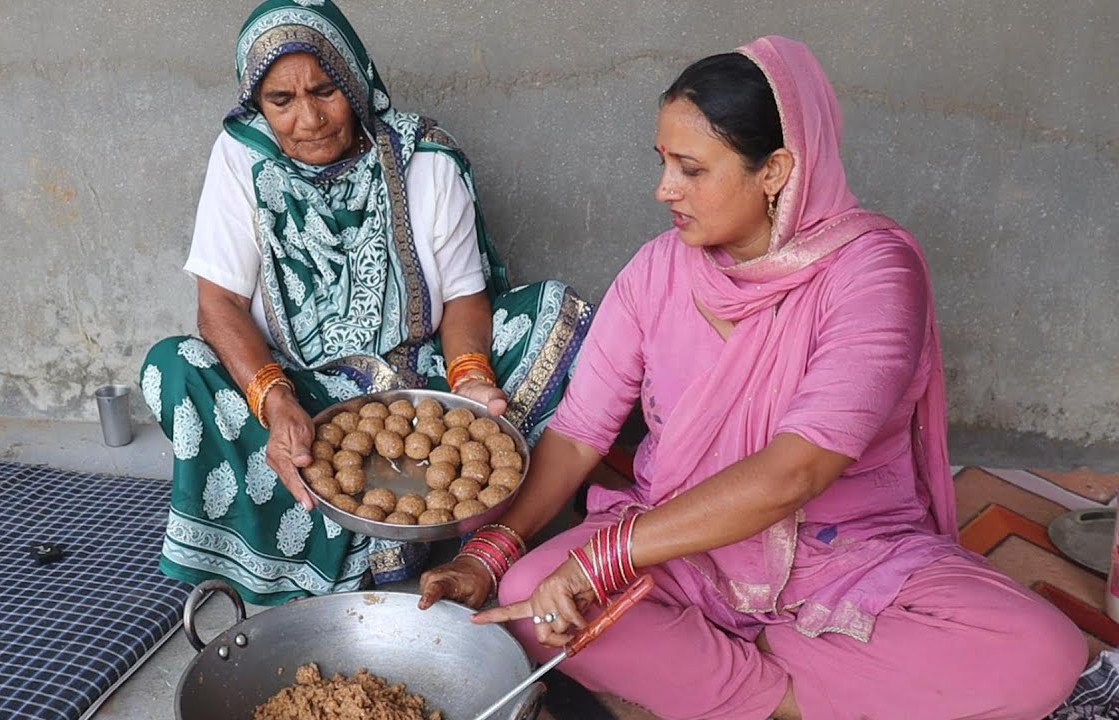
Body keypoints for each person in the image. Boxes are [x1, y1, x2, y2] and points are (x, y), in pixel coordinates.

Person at [419, 36, 1085, 720]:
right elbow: (580, 434)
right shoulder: (656, 271)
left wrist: (604, 559)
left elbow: (797, 473)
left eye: (691, 169)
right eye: (662, 163)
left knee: (1041, 655)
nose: (664, 190)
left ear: (774, 171)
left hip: (843, 555)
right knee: (532, 598)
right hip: (681, 545)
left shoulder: (873, 274)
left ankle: (754, 688)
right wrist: (490, 556)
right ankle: (804, 683)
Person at [141, 0, 591, 606]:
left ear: (354, 78)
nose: (308, 119)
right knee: (173, 366)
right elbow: (217, 302)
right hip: (296, 389)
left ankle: (434, 519)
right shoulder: (240, 158)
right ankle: (325, 532)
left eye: (325, 90)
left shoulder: (426, 159)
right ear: (257, 102)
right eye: (281, 101)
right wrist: (276, 403)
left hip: (421, 379)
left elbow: (464, 297)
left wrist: (472, 380)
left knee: (555, 312)